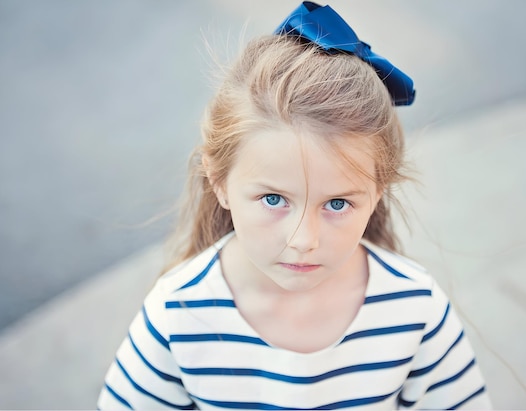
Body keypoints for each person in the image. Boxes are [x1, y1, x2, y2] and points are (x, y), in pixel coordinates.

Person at [97, 2, 492, 409]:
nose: (304, 240)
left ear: (378, 191)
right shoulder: (177, 315)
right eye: (273, 199)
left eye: (337, 203)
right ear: (219, 181)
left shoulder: (415, 309)